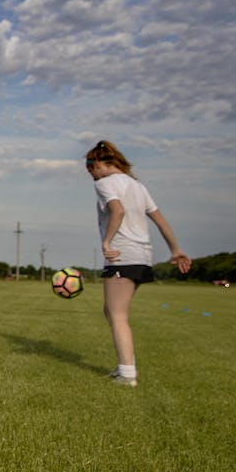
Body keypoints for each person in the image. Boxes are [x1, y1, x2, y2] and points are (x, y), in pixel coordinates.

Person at [85, 140, 190, 387]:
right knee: (111, 311)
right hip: (143, 257)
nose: (89, 172)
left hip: (123, 255)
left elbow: (117, 210)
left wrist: (107, 242)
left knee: (118, 315)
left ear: (102, 163)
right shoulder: (138, 186)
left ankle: (127, 374)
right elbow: (160, 220)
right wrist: (176, 249)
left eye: (90, 166)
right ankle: (125, 365)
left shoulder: (105, 183)